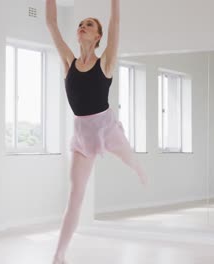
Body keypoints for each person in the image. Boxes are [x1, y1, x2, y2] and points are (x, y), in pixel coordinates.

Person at [46, 0, 147, 263]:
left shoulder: (106, 63)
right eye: (80, 24)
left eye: (88, 25)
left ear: (97, 36)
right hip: (82, 135)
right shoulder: (68, 61)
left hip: (107, 129)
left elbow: (115, 24)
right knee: (75, 196)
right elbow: (51, 24)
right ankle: (59, 255)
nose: (82, 26)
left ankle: (139, 169)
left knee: (129, 159)